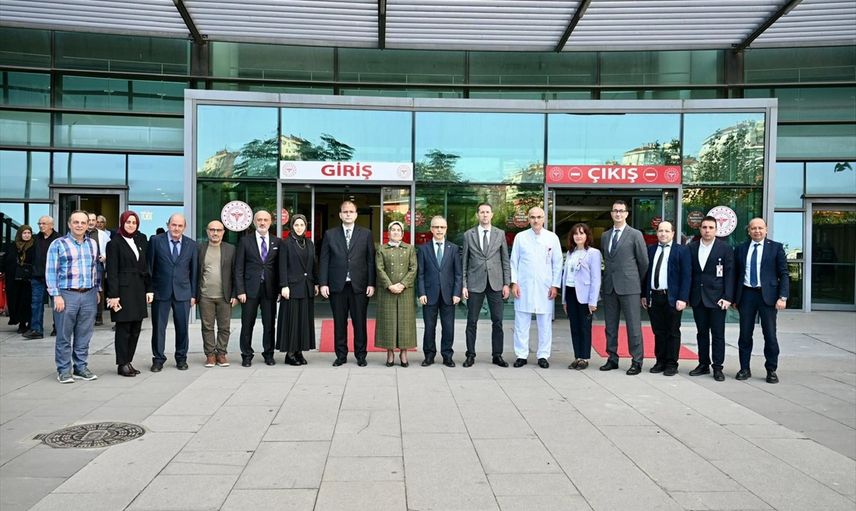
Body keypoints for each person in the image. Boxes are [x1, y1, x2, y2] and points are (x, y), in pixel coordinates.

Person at [46, 210, 102, 383]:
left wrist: (97, 289)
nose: (79, 225)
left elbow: (95, 268)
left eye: (83, 222)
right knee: (64, 334)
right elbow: (51, 271)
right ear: (69, 224)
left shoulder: (92, 244)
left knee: (84, 334)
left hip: (89, 294)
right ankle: (64, 370)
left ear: (87, 225)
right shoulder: (58, 244)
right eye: (76, 222)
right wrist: (56, 295)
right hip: (66, 294)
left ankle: (80, 367)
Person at [319, 201, 376, 367]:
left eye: (351, 211)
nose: (348, 214)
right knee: (339, 322)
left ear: (356, 214)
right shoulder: (330, 234)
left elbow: (370, 260)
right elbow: (324, 260)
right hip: (337, 286)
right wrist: (323, 283)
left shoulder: (366, 234)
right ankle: (341, 355)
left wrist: (371, 283)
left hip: (360, 286)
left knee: (360, 322)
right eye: (345, 212)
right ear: (340, 215)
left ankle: (361, 355)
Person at [733, 217, 789, 384]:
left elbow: (784, 273)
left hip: (768, 297)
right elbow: (735, 274)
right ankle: (744, 368)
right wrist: (734, 298)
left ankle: (771, 370)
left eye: (760, 228)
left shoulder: (776, 248)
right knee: (745, 335)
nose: (757, 231)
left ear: (766, 229)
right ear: (748, 231)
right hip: (746, 295)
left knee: (770, 335)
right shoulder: (741, 249)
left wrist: (783, 297)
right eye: (753, 228)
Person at [509, 207, 563, 369]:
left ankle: (543, 355)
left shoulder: (552, 238)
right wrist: (514, 283)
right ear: (528, 219)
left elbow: (557, 263)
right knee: (521, 323)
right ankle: (521, 355)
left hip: (545, 287)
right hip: (523, 286)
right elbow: (514, 261)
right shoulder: (521, 237)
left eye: (539, 217)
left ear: (544, 219)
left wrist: (555, 285)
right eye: (532, 217)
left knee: (545, 323)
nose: (536, 220)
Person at [599, 200, 649, 375]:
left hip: (630, 287)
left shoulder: (635, 234)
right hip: (610, 287)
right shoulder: (605, 236)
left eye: (621, 211)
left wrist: (635, 281)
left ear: (627, 214)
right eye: (615, 211)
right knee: (610, 326)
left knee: (633, 326)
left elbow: (643, 262)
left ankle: (637, 361)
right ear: (611, 213)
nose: (618, 214)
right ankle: (612, 358)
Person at [461, 203, 511, 368]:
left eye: (487, 212)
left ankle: (497, 355)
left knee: (497, 321)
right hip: (475, 283)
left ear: (492, 214)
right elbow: (464, 261)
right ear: (477, 215)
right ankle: (470, 355)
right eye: (482, 212)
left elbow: (505, 260)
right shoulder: (468, 235)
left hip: (496, 283)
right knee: (471, 321)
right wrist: (464, 285)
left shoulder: (500, 233)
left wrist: (506, 283)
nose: (484, 215)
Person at [148, 213, 198, 372]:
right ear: (168, 225)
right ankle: (158, 359)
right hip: (160, 291)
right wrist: (149, 290)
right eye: (174, 225)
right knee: (158, 328)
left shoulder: (191, 244)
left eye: (180, 226)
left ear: (185, 227)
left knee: (182, 328)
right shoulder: (156, 241)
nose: (176, 228)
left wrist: (193, 294)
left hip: (183, 293)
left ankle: (181, 358)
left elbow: (194, 271)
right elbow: (149, 267)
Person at [105, 211, 152, 377]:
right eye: (128, 222)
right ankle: (122, 363)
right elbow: (112, 271)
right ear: (122, 223)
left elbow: (145, 267)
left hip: (138, 289)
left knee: (135, 328)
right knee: (123, 329)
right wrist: (113, 295)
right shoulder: (114, 243)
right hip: (123, 292)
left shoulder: (140, 240)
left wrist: (149, 289)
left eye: (134, 222)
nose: (131, 225)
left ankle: (128, 361)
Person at [687, 216, 734, 381]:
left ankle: (718, 367)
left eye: (711, 227)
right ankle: (703, 364)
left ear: (716, 230)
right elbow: (689, 273)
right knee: (701, 333)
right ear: (700, 229)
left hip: (717, 299)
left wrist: (727, 297)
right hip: (698, 298)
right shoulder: (691, 248)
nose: (707, 230)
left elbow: (730, 274)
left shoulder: (725, 249)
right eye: (704, 227)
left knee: (718, 334)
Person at [641, 221, 691, 376]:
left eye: (667, 231)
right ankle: (660, 361)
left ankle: (671, 364)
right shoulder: (650, 250)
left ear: (673, 233)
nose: (663, 234)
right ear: (657, 233)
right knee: (658, 331)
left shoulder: (681, 251)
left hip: (672, 298)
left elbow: (686, 276)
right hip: (654, 297)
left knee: (672, 332)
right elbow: (646, 274)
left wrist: (683, 298)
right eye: (660, 231)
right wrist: (644, 295)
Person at [235, 210, 281, 367]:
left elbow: (279, 268)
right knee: (247, 324)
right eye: (259, 220)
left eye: (265, 220)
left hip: (270, 290)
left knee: (269, 324)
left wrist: (280, 289)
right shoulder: (245, 241)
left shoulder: (277, 242)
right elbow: (239, 268)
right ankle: (246, 355)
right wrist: (240, 290)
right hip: (249, 291)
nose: (262, 222)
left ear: (270, 222)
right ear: (254, 222)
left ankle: (269, 354)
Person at [417, 216, 462, 367]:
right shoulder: (423, 249)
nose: (439, 230)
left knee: (448, 328)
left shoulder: (453, 248)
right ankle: (429, 356)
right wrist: (421, 293)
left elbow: (458, 274)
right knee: (429, 328)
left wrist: (457, 293)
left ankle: (447, 356)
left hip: (449, 295)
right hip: (429, 295)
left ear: (446, 229)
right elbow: (420, 274)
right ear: (431, 229)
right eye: (436, 227)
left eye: (442, 227)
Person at [276, 214, 318, 365]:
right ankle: (290, 353)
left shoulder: (309, 243)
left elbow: (313, 265)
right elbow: (281, 266)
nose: (299, 228)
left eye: (302, 225)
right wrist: (283, 285)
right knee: (292, 321)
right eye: (296, 225)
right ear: (291, 227)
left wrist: (316, 283)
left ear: (306, 226)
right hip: (291, 288)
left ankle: (299, 351)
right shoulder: (285, 243)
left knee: (303, 321)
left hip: (306, 287)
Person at [375, 221, 417, 367]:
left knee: (405, 323)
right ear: (388, 233)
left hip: (405, 291)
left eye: (398, 230)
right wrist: (389, 285)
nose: (396, 232)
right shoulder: (382, 249)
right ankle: (390, 353)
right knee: (388, 322)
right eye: (393, 229)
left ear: (402, 233)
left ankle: (404, 353)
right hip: (387, 291)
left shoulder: (410, 248)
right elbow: (379, 269)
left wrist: (403, 284)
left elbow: (413, 268)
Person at [561, 223, 602, 370]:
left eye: (581, 233)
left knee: (584, 327)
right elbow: (566, 276)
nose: (578, 236)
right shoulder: (570, 253)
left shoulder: (593, 253)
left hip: (585, 295)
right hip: (571, 292)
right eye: (575, 233)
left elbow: (596, 278)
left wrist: (593, 300)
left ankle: (584, 358)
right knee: (574, 326)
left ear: (587, 236)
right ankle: (577, 357)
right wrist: (564, 300)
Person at [197, 220, 236, 368]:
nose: (215, 233)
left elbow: (236, 273)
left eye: (218, 230)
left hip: (225, 296)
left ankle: (221, 354)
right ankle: (210, 355)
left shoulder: (230, 249)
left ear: (223, 232)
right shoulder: (200, 249)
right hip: (205, 295)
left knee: (224, 327)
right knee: (207, 327)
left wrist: (235, 294)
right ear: (207, 231)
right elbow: (195, 272)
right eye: (212, 230)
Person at [24, 216, 60, 339]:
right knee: (36, 304)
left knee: (57, 303)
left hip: (54, 278)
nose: (41, 226)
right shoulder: (34, 239)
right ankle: (36, 330)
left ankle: (58, 328)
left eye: (44, 223)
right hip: (37, 276)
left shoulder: (59, 239)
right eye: (39, 223)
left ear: (51, 225)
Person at [2, 225, 35, 334]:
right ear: (20, 234)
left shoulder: (34, 246)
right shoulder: (13, 246)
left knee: (27, 301)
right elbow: (6, 260)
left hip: (28, 279)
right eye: (24, 233)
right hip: (14, 279)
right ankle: (21, 323)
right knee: (16, 300)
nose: (27, 235)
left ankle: (29, 323)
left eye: (29, 233)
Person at [87, 212, 110, 326]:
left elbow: (109, 247)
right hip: (84, 266)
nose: (91, 222)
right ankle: (87, 316)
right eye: (89, 220)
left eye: (93, 220)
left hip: (98, 265)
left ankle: (98, 316)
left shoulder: (102, 234)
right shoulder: (81, 233)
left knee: (99, 290)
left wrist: (105, 256)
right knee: (86, 290)